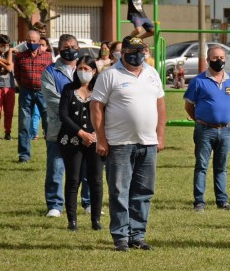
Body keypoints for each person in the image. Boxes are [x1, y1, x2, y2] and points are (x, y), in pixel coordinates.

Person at [91, 35, 166, 251]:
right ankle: (121, 236)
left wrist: (160, 136)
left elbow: (160, 106)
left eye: (141, 51)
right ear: (123, 53)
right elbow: (96, 108)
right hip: (119, 143)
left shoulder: (152, 73)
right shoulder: (110, 75)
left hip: (148, 143)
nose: (139, 55)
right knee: (119, 190)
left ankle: (137, 235)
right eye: (134, 51)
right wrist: (101, 139)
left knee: (143, 191)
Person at [184, 45, 230, 212]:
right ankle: (199, 201)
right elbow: (188, 105)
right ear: (208, 60)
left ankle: (222, 200)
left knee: (221, 166)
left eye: (222, 57)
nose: (219, 61)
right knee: (202, 165)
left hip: (225, 130)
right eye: (215, 58)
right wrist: (200, 120)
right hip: (205, 130)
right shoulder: (198, 81)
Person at [58, 55, 103, 231]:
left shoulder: (100, 89)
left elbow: (105, 113)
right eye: (80, 68)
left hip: (95, 140)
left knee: (96, 180)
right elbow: (63, 115)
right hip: (72, 140)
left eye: (87, 69)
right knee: (73, 179)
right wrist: (81, 133)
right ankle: (72, 220)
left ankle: (96, 220)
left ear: (94, 71)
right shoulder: (69, 89)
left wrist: (94, 134)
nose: (83, 72)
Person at [41, 34, 81, 218]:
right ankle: (55, 205)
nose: (69, 49)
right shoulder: (50, 72)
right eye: (66, 47)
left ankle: (88, 202)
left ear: (78, 48)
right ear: (59, 49)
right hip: (59, 127)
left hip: (84, 128)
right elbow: (52, 100)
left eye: (73, 46)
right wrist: (77, 111)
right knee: (56, 166)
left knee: (86, 167)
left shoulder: (86, 68)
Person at [14, 30, 52, 163]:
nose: (32, 43)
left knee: (48, 123)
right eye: (29, 40)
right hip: (26, 92)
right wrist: (23, 87)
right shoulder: (19, 56)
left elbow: (50, 75)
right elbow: (17, 75)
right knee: (24, 124)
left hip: (43, 92)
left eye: (34, 41)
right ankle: (24, 155)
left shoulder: (47, 56)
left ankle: (51, 153)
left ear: (39, 41)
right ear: (26, 40)